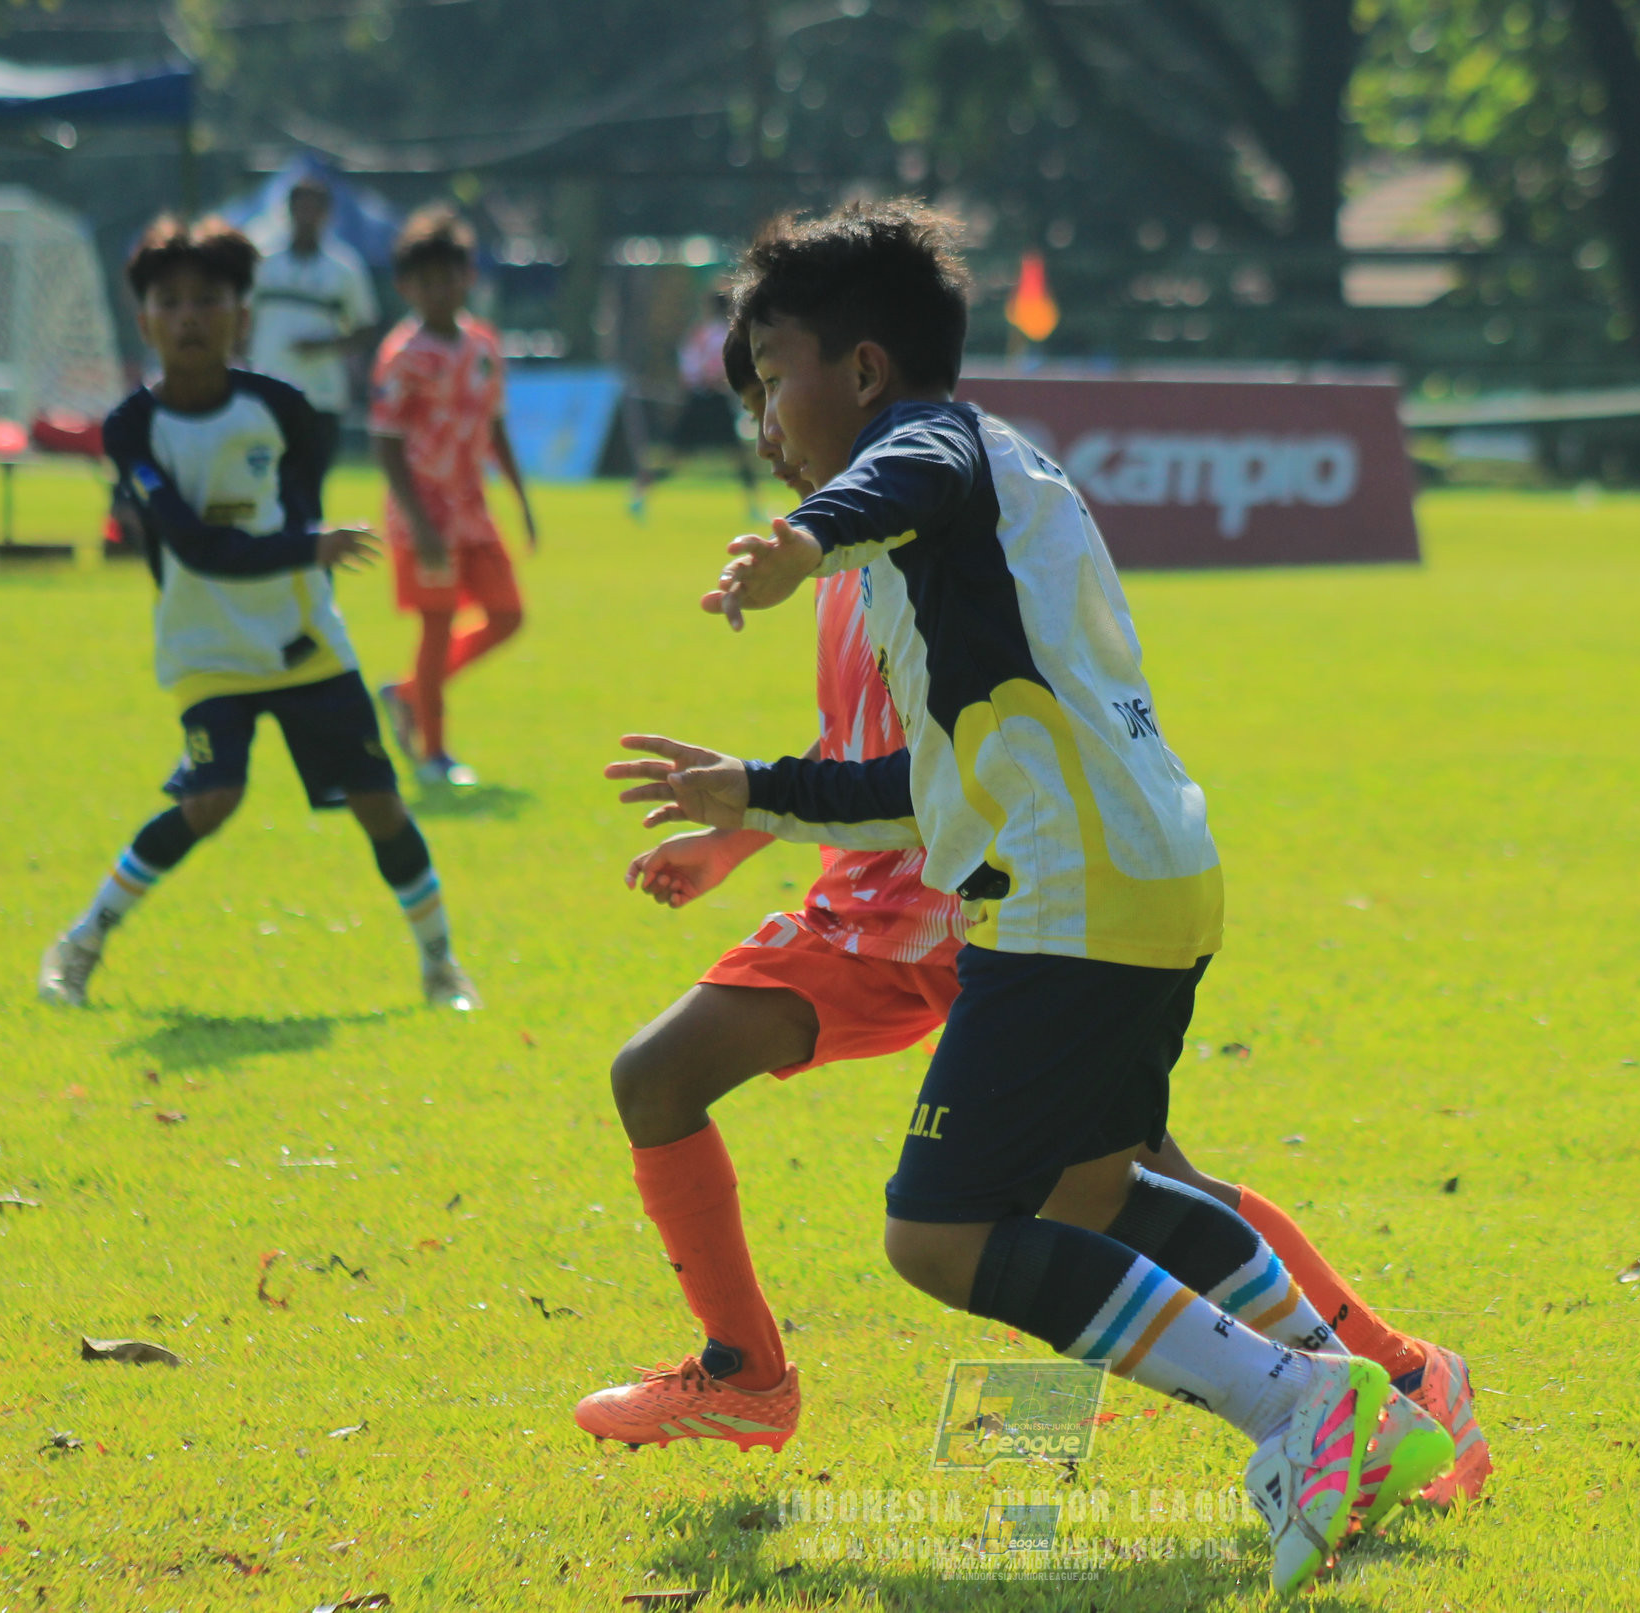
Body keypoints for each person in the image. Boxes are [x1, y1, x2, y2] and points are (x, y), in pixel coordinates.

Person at [599, 201, 1451, 1595]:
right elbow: (923, 788)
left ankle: (1295, 1406)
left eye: (771, 376)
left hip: (1067, 900)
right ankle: (1376, 1407)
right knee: (1091, 1185)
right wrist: (749, 789)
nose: (759, 412)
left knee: (937, 1233)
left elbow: (897, 471)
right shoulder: (1000, 477)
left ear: (863, 372)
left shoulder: (919, 456)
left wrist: (807, 539)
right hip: (1148, 876)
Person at [37, 216, 478, 1014]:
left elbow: (295, 507)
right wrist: (306, 548)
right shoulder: (131, 428)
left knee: (380, 803)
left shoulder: (284, 410)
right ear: (144, 322)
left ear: (243, 317)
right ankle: (81, 941)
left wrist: (301, 551)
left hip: (303, 640)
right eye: (168, 302)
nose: (188, 316)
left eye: (208, 299)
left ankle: (442, 966)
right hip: (205, 645)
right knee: (211, 799)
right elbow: (199, 548)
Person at [368, 206, 537, 791]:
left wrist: (521, 500)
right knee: (436, 629)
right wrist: (419, 523)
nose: (438, 291)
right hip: (426, 520)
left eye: (449, 277)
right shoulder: (403, 354)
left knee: (509, 616)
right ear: (404, 287)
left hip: (473, 512)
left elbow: (495, 425)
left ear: (468, 277)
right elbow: (386, 443)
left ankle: (410, 692)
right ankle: (434, 754)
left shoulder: (483, 344)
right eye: (425, 281)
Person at [246, 175, 379, 518]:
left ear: (326, 213)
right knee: (269, 483)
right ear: (288, 210)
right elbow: (240, 316)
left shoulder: (344, 268)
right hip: (269, 389)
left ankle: (312, 561)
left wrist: (326, 345)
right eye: (300, 205)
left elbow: (366, 327)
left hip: (321, 394)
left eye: (314, 206)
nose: (306, 214)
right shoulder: (263, 261)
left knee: (310, 486)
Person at [632, 291, 760, 521]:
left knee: (673, 457)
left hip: (695, 399)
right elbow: (719, 369)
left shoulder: (697, 333)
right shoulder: (725, 334)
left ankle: (639, 496)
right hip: (714, 400)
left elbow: (687, 367)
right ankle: (754, 507)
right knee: (738, 456)